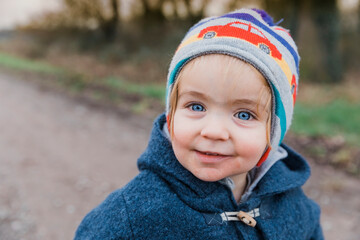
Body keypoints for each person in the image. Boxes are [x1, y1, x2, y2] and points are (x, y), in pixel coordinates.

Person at [74, 8, 323, 239]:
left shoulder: (295, 207)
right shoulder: (134, 214)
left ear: (273, 131)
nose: (213, 131)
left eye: (244, 114)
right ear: (171, 115)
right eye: (196, 107)